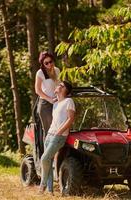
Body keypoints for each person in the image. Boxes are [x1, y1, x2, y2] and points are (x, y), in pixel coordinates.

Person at [39, 81, 75, 195]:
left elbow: (70, 119)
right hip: (50, 134)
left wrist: (59, 132)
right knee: (48, 160)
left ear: (65, 89)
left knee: (44, 158)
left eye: (60, 85)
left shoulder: (69, 101)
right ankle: (50, 191)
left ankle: (43, 184)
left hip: (59, 136)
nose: (57, 86)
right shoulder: (56, 103)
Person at [35, 51, 60, 193]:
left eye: (51, 61)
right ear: (42, 64)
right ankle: (47, 185)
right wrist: (49, 99)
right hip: (45, 105)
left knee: (58, 136)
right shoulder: (40, 73)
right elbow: (37, 90)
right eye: (46, 63)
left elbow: (58, 86)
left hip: (56, 104)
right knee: (49, 139)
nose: (49, 65)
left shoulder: (57, 70)